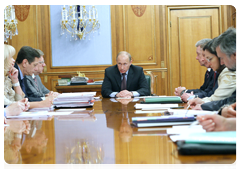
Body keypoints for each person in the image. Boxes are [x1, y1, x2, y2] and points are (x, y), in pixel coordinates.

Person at [189, 27, 238, 111]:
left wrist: (204, 105)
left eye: (222, 58)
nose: (222, 62)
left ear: (235, 55)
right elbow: (232, 99)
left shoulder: (230, 72)